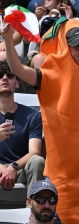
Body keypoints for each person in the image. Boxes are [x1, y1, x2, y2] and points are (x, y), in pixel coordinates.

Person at [2, 17, 79, 224]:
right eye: (76, 45)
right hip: (65, 177)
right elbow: (19, 70)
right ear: (65, 48)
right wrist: (7, 39)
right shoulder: (50, 75)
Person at [0, 50, 44, 192]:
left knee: (37, 161)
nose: (5, 78)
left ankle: (34, 210)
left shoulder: (32, 116)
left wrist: (12, 167)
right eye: (0, 75)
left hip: (19, 170)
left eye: (10, 75)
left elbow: (35, 152)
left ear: (17, 83)